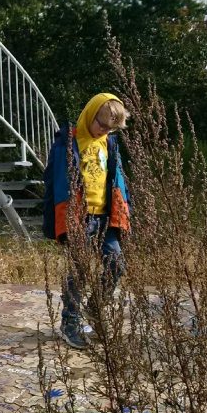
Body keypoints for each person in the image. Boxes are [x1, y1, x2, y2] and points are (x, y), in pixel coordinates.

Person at [44, 92, 131, 350]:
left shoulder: (110, 143)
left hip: (106, 215)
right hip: (79, 216)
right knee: (79, 271)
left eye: (110, 128)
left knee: (116, 264)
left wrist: (125, 211)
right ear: (90, 115)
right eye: (101, 125)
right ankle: (70, 322)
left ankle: (94, 308)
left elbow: (118, 179)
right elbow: (55, 181)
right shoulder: (68, 142)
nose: (103, 131)